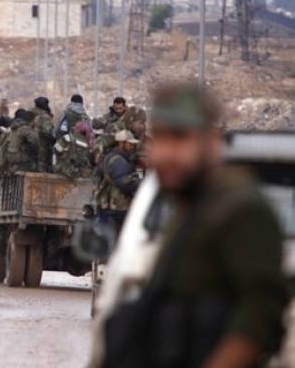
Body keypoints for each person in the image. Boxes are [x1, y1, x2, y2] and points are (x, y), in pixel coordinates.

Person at [98, 83, 291, 368]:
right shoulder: (188, 204)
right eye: (160, 139)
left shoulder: (241, 208)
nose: (167, 153)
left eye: (180, 138)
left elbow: (259, 317)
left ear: (211, 143)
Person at [94, 130, 141, 229]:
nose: (132, 147)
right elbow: (124, 184)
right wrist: (141, 183)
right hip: (117, 207)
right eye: (130, 144)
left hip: (106, 205)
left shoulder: (109, 157)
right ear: (121, 143)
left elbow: (97, 175)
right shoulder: (119, 161)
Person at [31, 97, 55, 172]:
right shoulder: (44, 117)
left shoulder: (31, 115)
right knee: (42, 169)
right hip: (42, 147)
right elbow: (47, 132)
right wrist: (53, 140)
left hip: (32, 145)